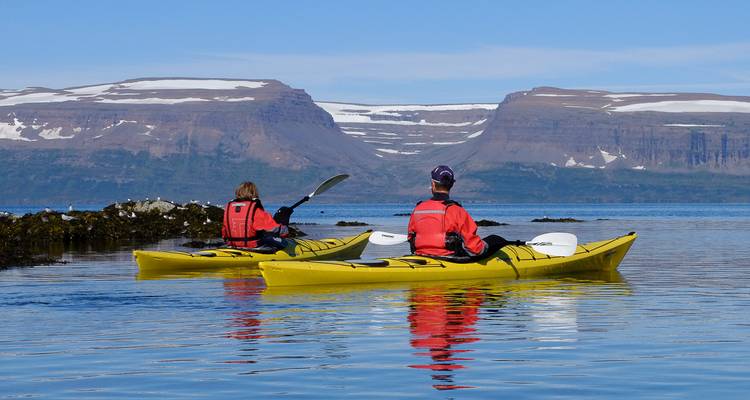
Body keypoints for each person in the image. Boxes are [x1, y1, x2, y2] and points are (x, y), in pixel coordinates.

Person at [407, 165, 519, 261]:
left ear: (433, 184)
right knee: (495, 239)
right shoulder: (457, 210)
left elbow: (410, 238)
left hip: (420, 256)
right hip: (449, 259)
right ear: (452, 184)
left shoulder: (418, 209)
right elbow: (475, 249)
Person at [222, 181, 294, 250]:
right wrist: (284, 227)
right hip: (253, 245)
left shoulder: (229, 209)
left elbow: (224, 233)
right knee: (283, 242)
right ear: (254, 193)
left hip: (232, 244)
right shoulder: (256, 210)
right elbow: (277, 230)